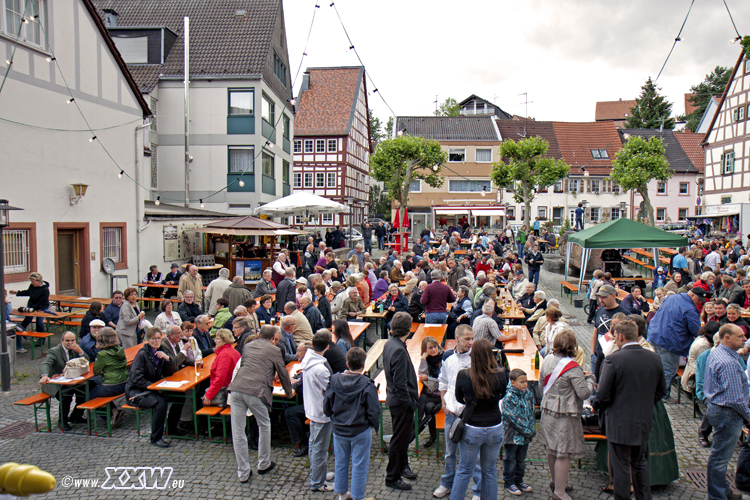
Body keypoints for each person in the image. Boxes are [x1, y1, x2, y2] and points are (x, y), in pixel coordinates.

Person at [594, 319, 667, 500]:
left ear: (620, 336)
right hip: (643, 420)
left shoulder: (613, 360)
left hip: (618, 422)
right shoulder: (654, 357)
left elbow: (602, 395)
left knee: (620, 466)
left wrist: (597, 406)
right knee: (639, 462)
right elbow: (661, 391)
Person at [229, 325, 293, 482]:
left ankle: (243, 472)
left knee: (238, 432)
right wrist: (289, 392)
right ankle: (263, 463)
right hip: (256, 391)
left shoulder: (248, 346)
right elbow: (283, 373)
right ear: (272, 339)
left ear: (259, 334)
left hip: (236, 389)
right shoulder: (275, 350)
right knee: (264, 425)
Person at [538, 331, 595, 500]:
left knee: (551, 448)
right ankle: (560, 492)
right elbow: (584, 393)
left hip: (548, 409)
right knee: (563, 452)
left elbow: (542, 383)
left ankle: (556, 482)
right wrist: (590, 379)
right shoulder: (574, 367)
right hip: (565, 414)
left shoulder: (547, 359)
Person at [449, 338, 507, 500]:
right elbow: (502, 394)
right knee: (489, 471)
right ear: (491, 354)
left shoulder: (464, 375)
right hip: (495, 426)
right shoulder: (501, 375)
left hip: (472, 427)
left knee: (464, 470)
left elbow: (459, 398)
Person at [325, 347, 380, 500]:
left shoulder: (334, 380)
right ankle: (357, 497)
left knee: (340, 462)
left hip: (339, 429)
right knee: (359, 465)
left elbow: (327, 404)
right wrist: (373, 425)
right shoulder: (367, 385)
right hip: (360, 430)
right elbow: (374, 411)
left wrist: (333, 418)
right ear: (364, 365)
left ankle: (342, 495)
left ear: (347, 363)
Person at [433, 324, 481, 498]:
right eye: (467, 339)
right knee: (450, 452)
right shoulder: (448, 358)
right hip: (451, 414)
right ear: (457, 338)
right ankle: (447, 483)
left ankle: (478, 490)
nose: (471, 342)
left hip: (470, 415)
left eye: (472, 338)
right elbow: (443, 381)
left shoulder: (476, 359)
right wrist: (444, 403)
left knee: (474, 456)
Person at [704, 324, 750, 500]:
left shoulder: (717, 351)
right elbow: (735, 398)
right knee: (720, 458)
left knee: (719, 455)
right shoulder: (729, 362)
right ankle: (717, 496)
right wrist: (748, 416)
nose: (745, 339)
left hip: (717, 409)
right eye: (740, 336)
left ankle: (722, 490)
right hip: (728, 413)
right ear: (727, 338)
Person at [648, 287, 705, 402]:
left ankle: (653, 392)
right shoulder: (689, 309)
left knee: (656, 367)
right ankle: (662, 396)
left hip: (654, 335)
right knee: (668, 370)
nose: (699, 303)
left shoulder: (672, 297)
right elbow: (697, 331)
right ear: (693, 295)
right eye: (699, 300)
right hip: (670, 342)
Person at [383, 312, 419, 491]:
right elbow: (400, 383)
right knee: (398, 440)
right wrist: (410, 403)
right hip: (401, 403)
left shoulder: (391, 343)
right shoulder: (397, 348)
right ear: (409, 329)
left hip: (398, 400)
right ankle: (392, 476)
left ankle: (403, 466)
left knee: (402, 438)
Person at [125, 327, 175, 447]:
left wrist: (167, 359)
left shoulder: (160, 351)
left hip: (150, 389)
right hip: (135, 392)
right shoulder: (142, 355)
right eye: (153, 339)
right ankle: (156, 437)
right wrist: (153, 387)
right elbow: (136, 379)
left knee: (179, 396)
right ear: (148, 340)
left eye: (158, 338)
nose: (156, 341)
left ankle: (172, 428)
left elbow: (169, 372)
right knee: (160, 403)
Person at [301, 331, 334, 492]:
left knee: (315, 445)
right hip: (321, 411)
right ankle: (318, 482)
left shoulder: (308, 360)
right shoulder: (321, 369)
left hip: (312, 407)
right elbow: (329, 391)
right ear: (327, 346)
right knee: (319, 448)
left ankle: (318, 473)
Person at [39, 331, 89, 430]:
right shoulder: (54, 351)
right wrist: (44, 375)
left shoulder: (75, 349)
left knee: (87, 389)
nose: (70, 343)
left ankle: (76, 415)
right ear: (61, 341)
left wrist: (80, 352)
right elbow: (46, 364)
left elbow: (87, 361)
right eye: (67, 341)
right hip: (56, 383)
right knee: (66, 395)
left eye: (72, 340)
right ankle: (62, 421)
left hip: (72, 380)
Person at [502, 368, 536, 496]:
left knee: (521, 460)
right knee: (510, 459)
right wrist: (528, 430)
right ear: (512, 382)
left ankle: (519, 480)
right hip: (512, 436)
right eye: (521, 382)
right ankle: (509, 482)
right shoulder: (509, 397)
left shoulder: (528, 394)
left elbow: (532, 412)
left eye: (526, 381)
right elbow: (513, 417)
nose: (525, 384)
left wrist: (531, 427)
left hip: (525, 436)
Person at [88, 326, 127, 427]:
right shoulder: (120, 349)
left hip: (111, 386)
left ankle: (110, 417)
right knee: (97, 389)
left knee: (90, 398)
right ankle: (114, 411)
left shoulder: (102, 354)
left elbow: (96, 371)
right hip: (124, 383)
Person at [590, 285, 628, 380]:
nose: (601, 300)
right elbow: (595, 332)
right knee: (595, 383)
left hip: (614, 358)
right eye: (600, 297)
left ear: (614, 296)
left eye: (604, 297)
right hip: (598, 356)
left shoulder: (625, 313)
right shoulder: (599, 310)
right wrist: (592, 352)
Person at [11, 272, 50, 351]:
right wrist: (17, 293)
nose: (32, 283)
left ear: (38, 281)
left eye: (33, 282)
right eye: (31, 282)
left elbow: (42, 301)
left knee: (39, 322)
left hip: (41, 307)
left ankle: (41, 339)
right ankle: (22, 334)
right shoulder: (32, 286)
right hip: (32, 306)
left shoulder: (45, 289)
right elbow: (28, 292)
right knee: (27, 320)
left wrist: (33, 308)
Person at [202, 328, 240, 406]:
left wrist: (209, 395)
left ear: (224, 340)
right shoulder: (233, 351)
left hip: (224, 392)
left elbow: (220, 378)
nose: (215, 341)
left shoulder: (224, 355)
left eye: (217, 339)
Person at [417, 337, 443, 448]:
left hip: (442, 395)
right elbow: (421, 375)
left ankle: (415, 428)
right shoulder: (427, 359)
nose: (433, 350)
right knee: (427, 406)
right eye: (430, 348)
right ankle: (419, 425)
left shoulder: (443, 359)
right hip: (430, 394)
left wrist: (428, 378)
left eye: (435, 346)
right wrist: (423, 358)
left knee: (426, 403)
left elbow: (443, 381)